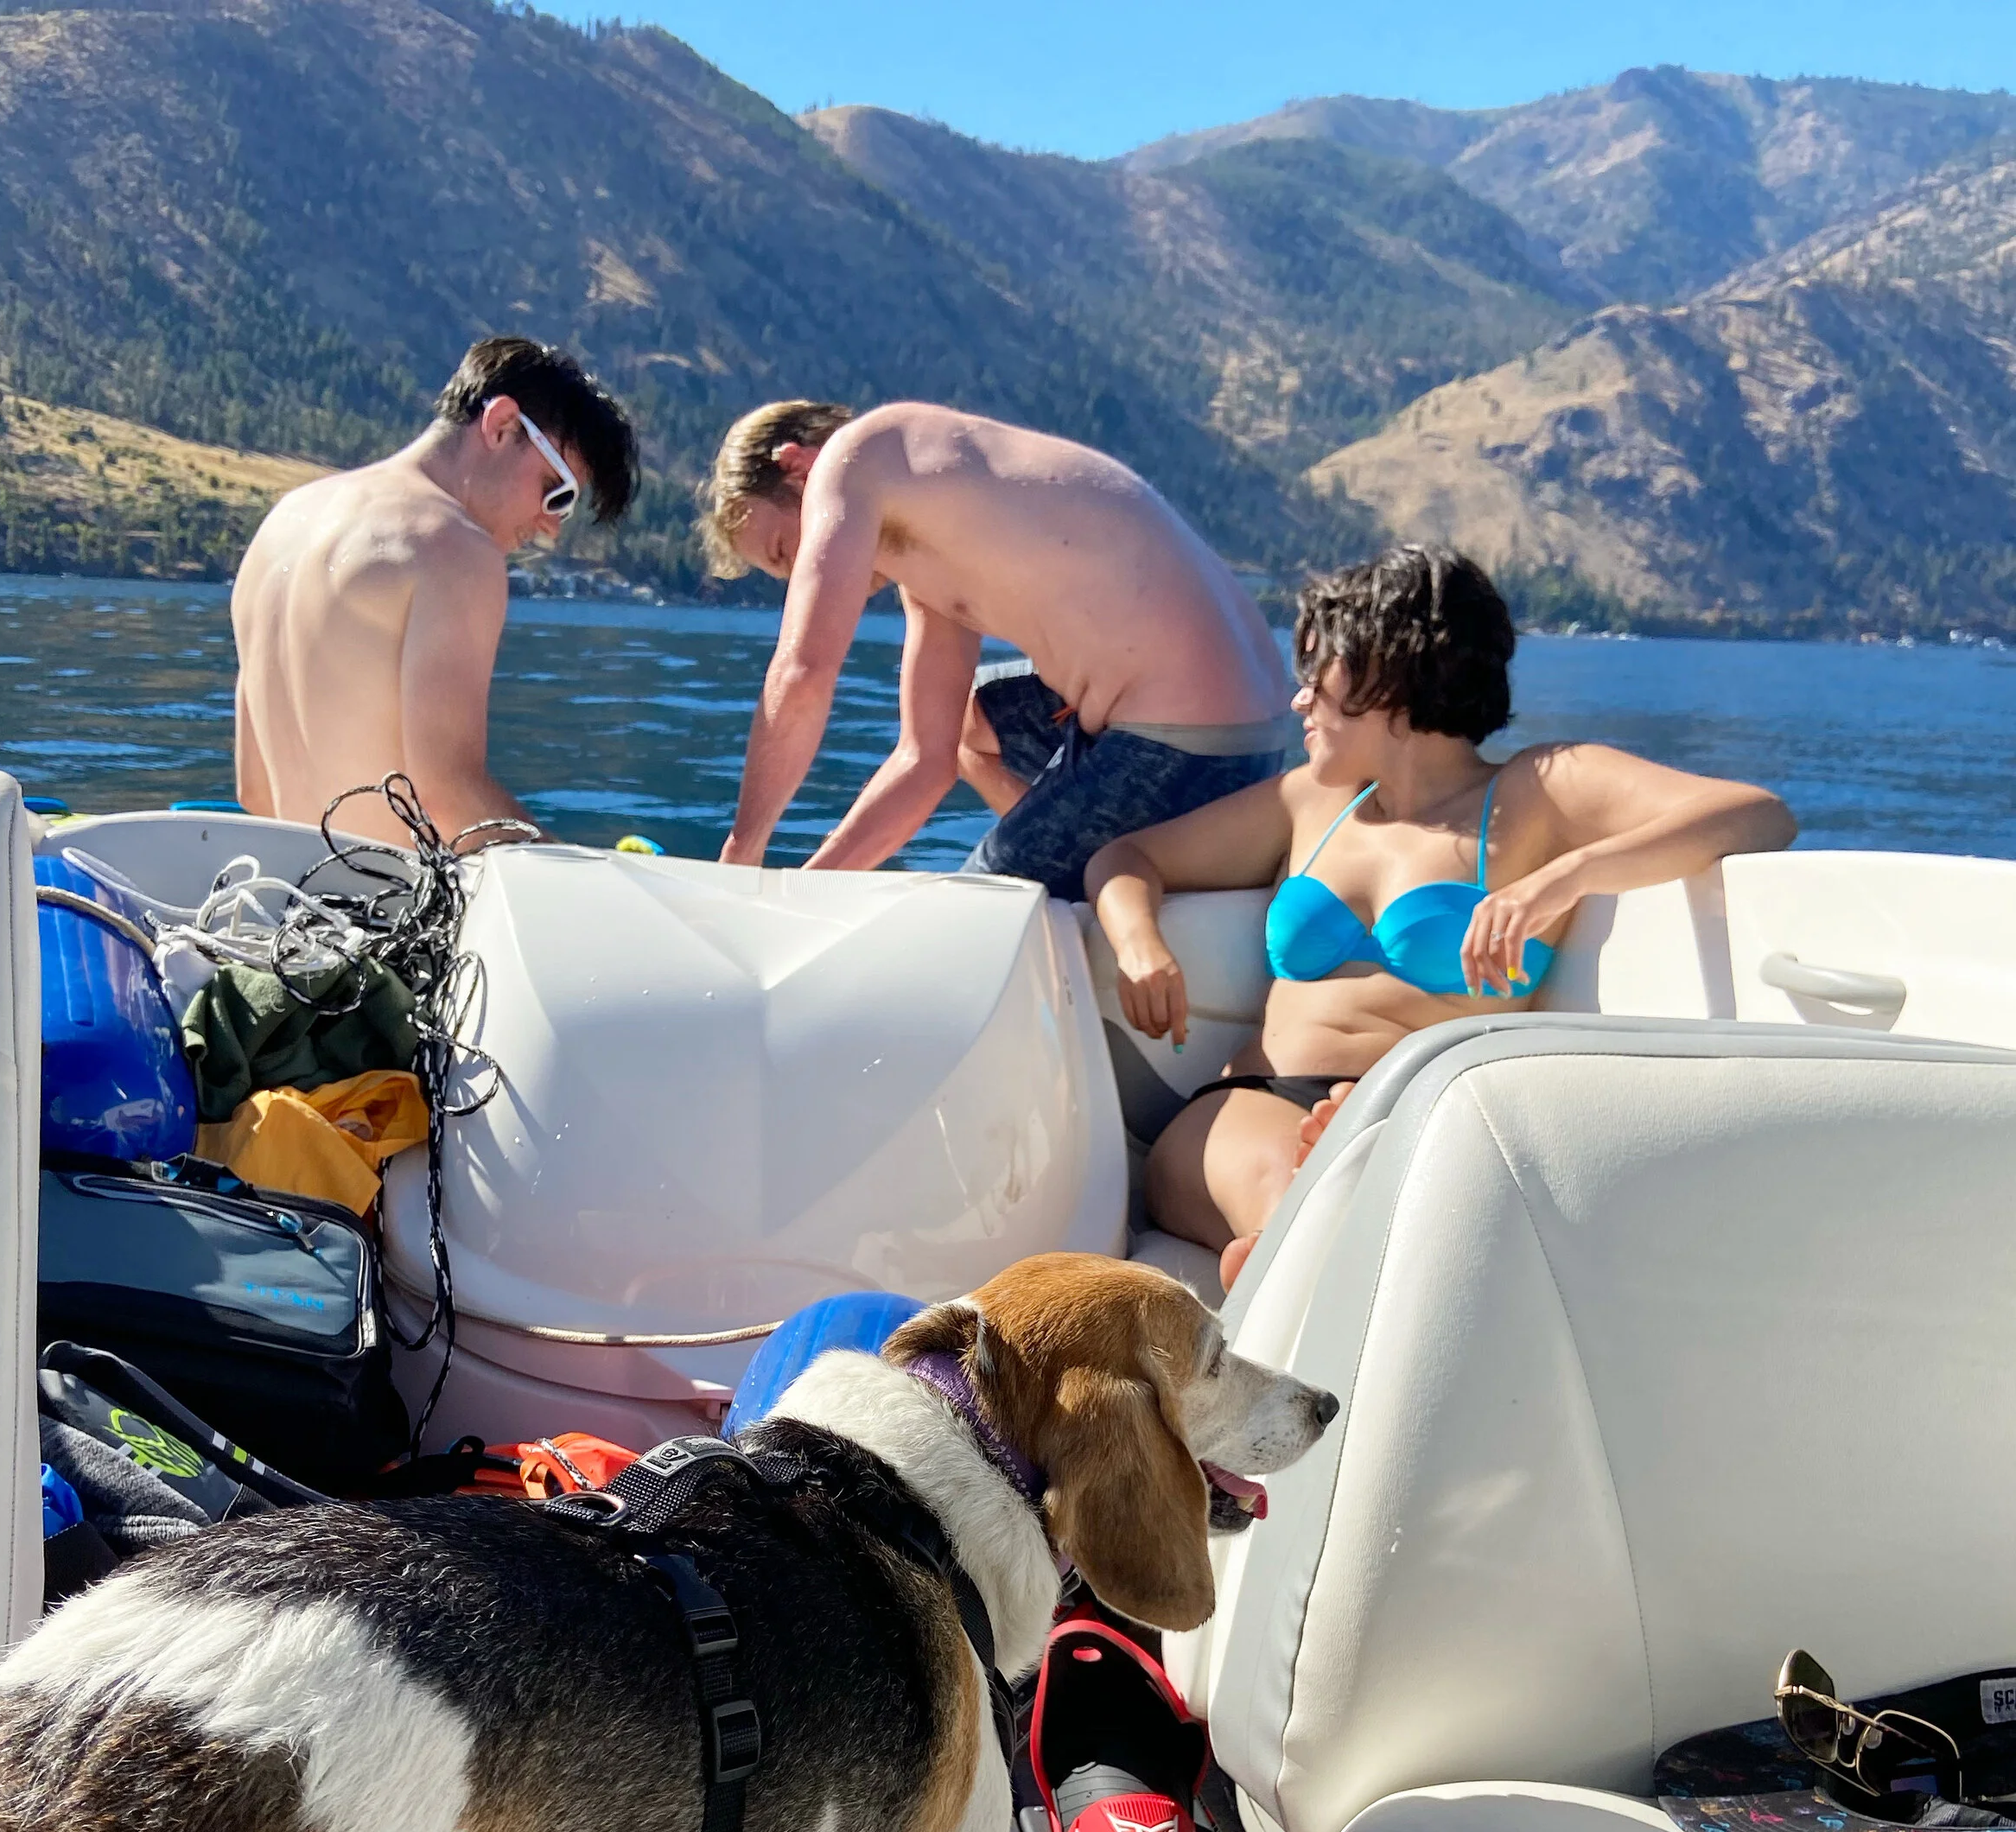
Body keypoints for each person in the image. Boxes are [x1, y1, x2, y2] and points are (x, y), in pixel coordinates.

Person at [1086, 545, 1798, 1288]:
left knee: (1345, 1197)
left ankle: (1306, 1237)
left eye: (1315, 678)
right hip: (1259, 1101)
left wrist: (1560, 878)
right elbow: (1128, 858)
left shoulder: (1537, 794)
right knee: (1289, 1190)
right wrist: (1141, 945)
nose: (1299, 701)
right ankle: (1311, 1220)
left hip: (1427, 1108)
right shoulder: (1313, 802)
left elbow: (1755, 815)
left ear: (1385, 676)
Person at [703, 400, 1291, 895]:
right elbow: (923, 761)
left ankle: (1056, 869)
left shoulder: (859, 455)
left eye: (786, 551)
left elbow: (804, 672)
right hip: (1255, 733)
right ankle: (1071, 857)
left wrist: (742, 854)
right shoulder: (926, 521)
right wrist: (807, 891)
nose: (803, 572)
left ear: (795, 465)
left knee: (975, 909)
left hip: (1187, 744)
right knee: (971, 721)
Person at [231, 336, 639, 850]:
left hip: (286, 898)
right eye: (556, 493)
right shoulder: (453, 547)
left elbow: (254, 788)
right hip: (388, 914)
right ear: (502, 425)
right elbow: (449, 796)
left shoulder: (284, 520)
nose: (551, 527)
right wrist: (579, 874)